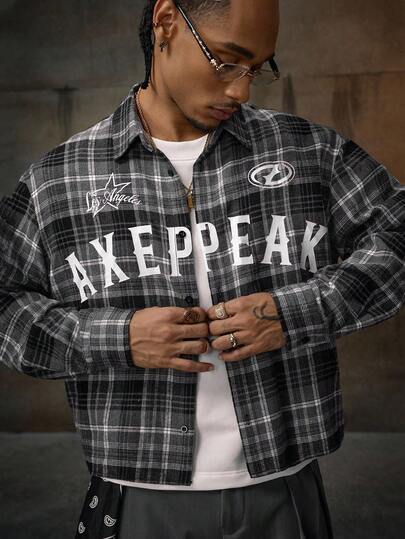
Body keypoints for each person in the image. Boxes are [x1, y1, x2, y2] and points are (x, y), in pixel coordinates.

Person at [0, 0, 404, 537]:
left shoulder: (309, 152)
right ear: (167, 23)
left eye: (256, 68)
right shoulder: (57, 179)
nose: (241, 90)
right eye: (227, 61)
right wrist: (118, 338)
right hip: (136, 496)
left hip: (285, 486)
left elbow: (397, 234)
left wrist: (297, 311)